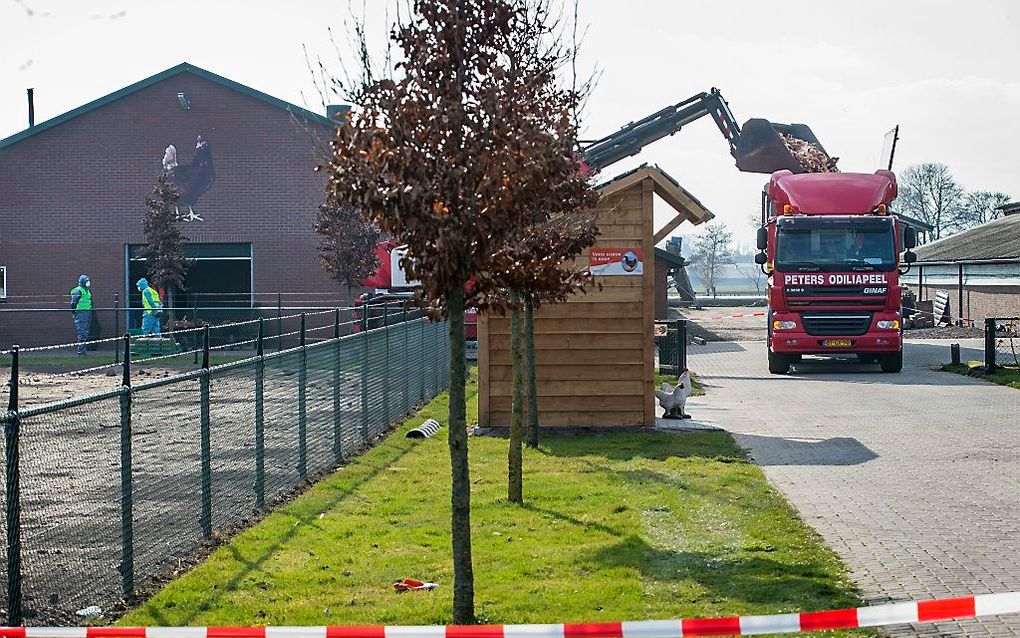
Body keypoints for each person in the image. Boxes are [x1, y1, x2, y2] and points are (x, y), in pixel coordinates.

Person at [69, 274, 93, 356]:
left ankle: (83, 351)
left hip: (87, 312)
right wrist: (73, 312)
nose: (88, 283)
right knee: (82, 332)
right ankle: (80, 352)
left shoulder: (86, 290)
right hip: (80, 313)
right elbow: (73, 303)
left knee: (85, 332)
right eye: (86, 281)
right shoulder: (78, 291)